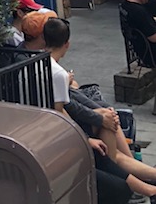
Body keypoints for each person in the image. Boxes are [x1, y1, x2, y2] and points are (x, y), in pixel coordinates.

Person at [43, 16, 156, 200]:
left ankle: (142, 181)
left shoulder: (41, 63)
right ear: (67, 44)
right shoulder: (57, 73)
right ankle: (142, 182)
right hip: (60, 131)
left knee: (107, 119)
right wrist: (85, 138)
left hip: (54, 122)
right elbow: (60, 111)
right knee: (109, 132)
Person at [121, 0, 156, 66]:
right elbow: (154, 38)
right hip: (151, 55)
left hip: (140, 50)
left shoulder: (124, 5)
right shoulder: (139, 12)